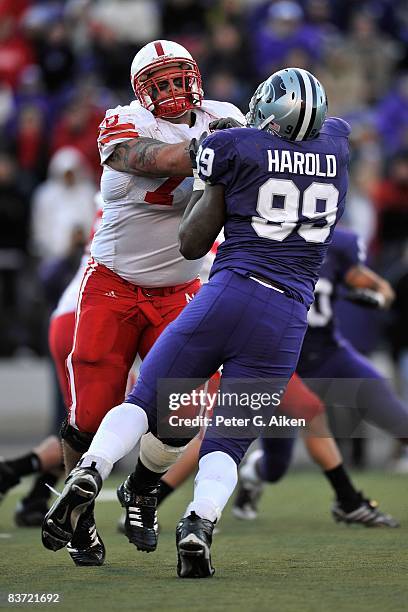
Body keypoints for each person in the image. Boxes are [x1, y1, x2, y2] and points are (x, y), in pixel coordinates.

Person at [42, 67, 350, 577]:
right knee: (226, 438)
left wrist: (223, 166)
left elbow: (191, 242)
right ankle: (198, 522)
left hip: (223, 292)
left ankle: (95, 471)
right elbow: (328, 126)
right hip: (286, 315)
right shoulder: (336, 147)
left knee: (147, 402)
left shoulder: (233, 141)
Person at [41, 39, 244, 565]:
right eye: (163, 83)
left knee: (180, 412)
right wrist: (213, 148)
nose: (176, 91)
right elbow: (151, 158)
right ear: (141, 91)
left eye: (181, 78)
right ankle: (80, 519)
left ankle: (143, 491)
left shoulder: (225, 115)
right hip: (114, 285)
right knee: (89, 416)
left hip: (180, 290)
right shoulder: (123, 123)